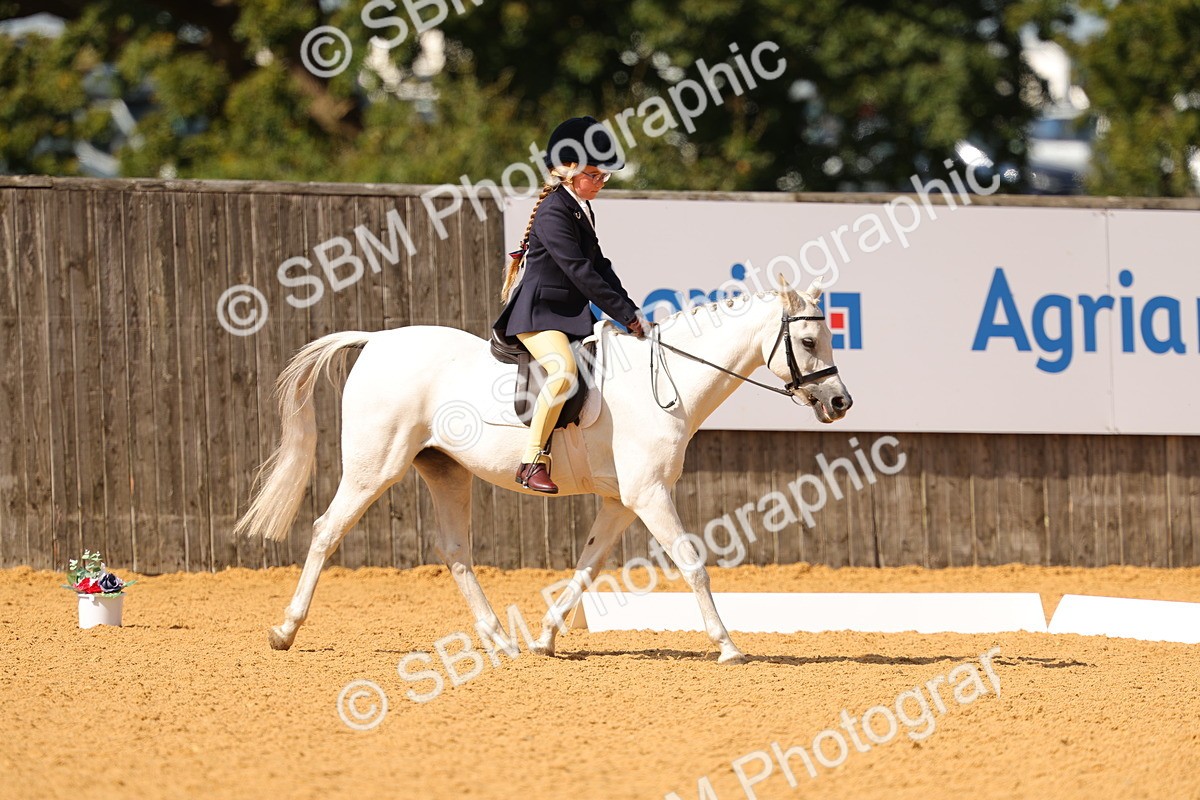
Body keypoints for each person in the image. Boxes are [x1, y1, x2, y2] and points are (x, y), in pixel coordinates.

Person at [493, 116, 646, 494]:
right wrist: (622, 314)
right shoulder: (554, 211)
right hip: (539, 313)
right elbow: (579, 271)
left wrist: (632, 311)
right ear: (568, 169)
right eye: (594, 174)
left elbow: (601, 266)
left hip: (566, 315)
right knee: (563, 371)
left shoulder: (580, 207)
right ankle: (532, 460)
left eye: (604, 176)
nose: (601, 182)